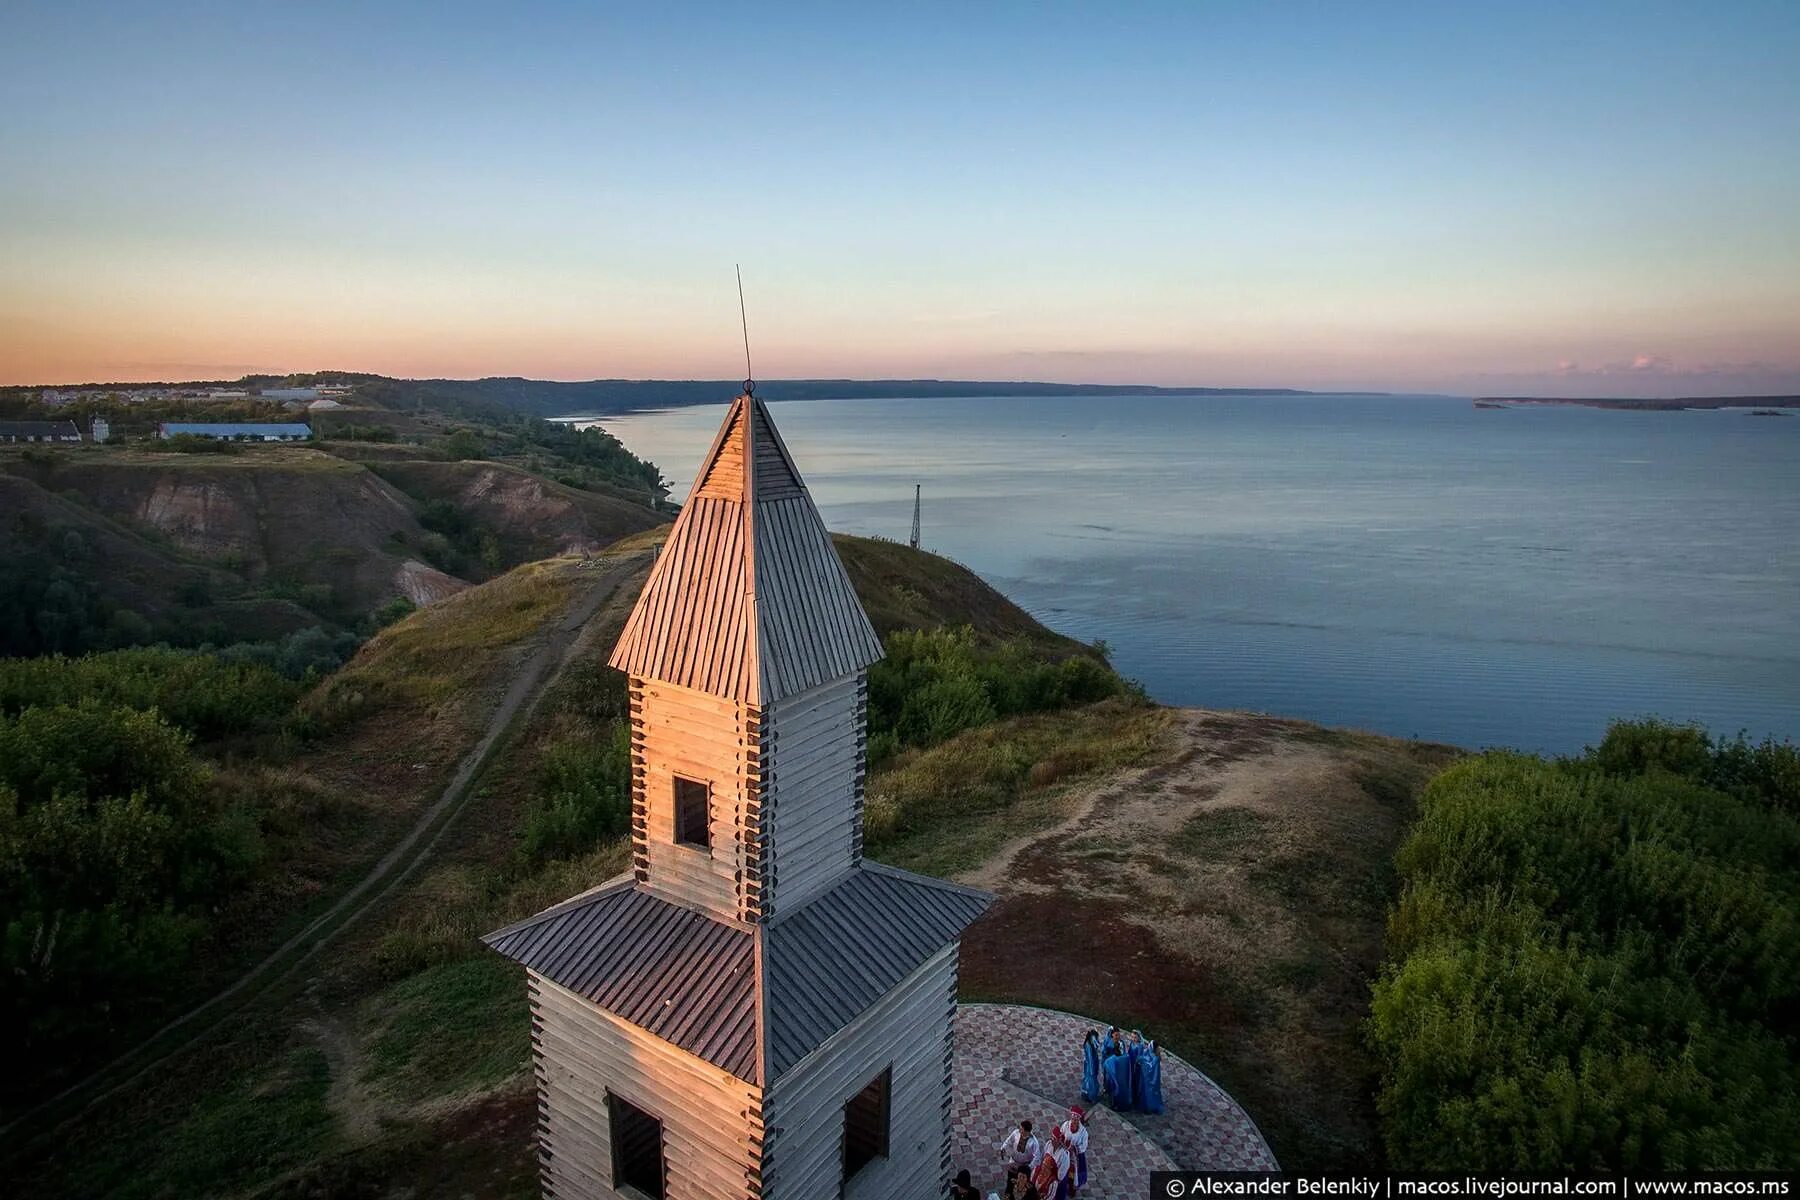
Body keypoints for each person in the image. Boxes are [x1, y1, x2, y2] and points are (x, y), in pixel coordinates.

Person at [1031, 1125, 1072, 1200]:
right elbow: (1043, 1156)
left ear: (1058, 1141)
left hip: (1057, 1178)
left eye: (1054, 1138)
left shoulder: (1064, 1155)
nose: (1051, 1139)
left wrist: (1051, 1181)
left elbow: (1061, 1174)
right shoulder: (1049, 1144)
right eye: (1052, 1137)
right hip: (1045, 1172)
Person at [997, 1118, 1041, 1186]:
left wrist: (1029, 1167)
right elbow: (1008, 1141)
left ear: (1027, 1131)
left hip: (1024, 1166)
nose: (1019, 1130)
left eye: (1021, 1129)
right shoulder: (1016, 1133)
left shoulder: (1034, 1142)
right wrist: (1003, 1148)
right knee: (1010, 1181)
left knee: (1020, 1184)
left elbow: (1037, 1157)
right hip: (1013, 1162)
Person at [1058, 1107, 1090, 1194]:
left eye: (1076, 1120)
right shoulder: (1065, 1125)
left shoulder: (1083, 1132)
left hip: (1075, 1158)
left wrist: (1075, 1148)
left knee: (1072, 1173)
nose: (1073, 1121)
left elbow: (1084, 1146)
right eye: (1072, 1119)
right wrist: (1063, 1141)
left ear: (1079, 1120)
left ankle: (1072, 1188)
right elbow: (1061, 1134)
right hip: (1064, 1152)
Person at [1102, 1030, 1134, 1110]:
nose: (1118, 1037)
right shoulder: (1109, 1044)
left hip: (1117, 1073)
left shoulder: (1120, 1044)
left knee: (1116, 1088)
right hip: (1116, 1073)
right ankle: (1117, 1103)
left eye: (1118, 1035)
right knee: (1115, 1087)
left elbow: (1123, 1054)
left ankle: (1116, 1103)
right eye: (1116, 1035)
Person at [1136, 1034, 1165, 1114]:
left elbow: (1149, 1066)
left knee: (1148, 1094)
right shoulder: (1152, 1056)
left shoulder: (1154, 1058)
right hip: (1150, 1080)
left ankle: (1149, 1107)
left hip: (1150, 1080)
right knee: (1150, 1093)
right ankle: (1150, 1106)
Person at [1080, 1030, 1102, 1105]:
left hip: (1092, 1065)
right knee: (1091, 1081)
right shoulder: (1088, 1045)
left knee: (1089, 1079)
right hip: (1090, 1066)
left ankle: (1087, 1094)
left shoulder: (1091, 1044)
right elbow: (1090, 1059)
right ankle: (1092, 1097)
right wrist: (1092, 1070)